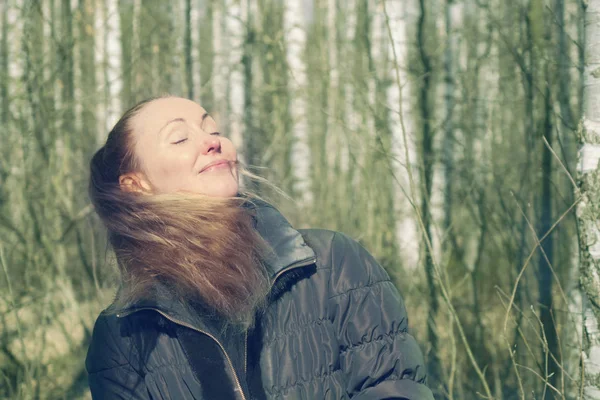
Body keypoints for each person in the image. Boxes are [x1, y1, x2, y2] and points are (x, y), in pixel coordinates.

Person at [85, 95, 434, 400]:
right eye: (179, 138)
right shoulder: (122, 335)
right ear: (136, 185)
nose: (212, 142)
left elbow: (394, 388)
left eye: (214, 130)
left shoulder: (331, 264)